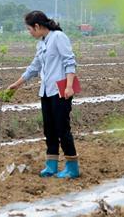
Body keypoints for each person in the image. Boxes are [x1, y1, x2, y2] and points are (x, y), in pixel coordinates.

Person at [7, 10, 79, 179]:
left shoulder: (58, 37)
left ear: (37, 26)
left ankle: (72, 167)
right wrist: (16, 85)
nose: (29, 32)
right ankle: (51, 164)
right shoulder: (41, 43)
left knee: (63, 129)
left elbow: (70, 61)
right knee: (50, 129)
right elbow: (34, 67)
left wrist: (69, 86)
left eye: (29, 29)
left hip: (61, 90)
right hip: (46, 91)